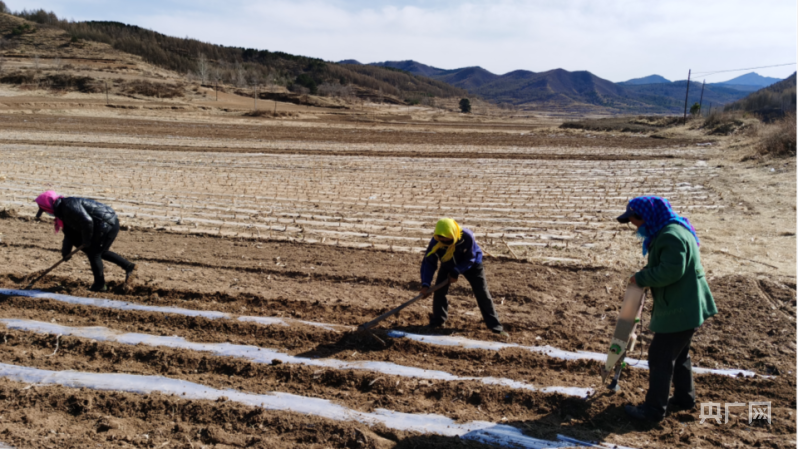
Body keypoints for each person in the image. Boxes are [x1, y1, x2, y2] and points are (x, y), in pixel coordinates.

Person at [617, 196, 718, 423]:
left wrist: (641, 277)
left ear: (646, 217)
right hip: (687, 305)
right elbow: (664, 264)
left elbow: (671, 271)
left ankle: (653, 411)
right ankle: (684, 399)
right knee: (679, 354)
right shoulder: (671, 229)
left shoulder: (670, 236)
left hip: (681, 308)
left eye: (635, 222)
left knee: (660, 355)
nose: (635, 227)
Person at [34, 191, 137, 292]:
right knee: (100, 252)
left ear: (48, 206)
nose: (47, 213)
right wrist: (66, 253)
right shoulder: (62, 211)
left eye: (44, 210)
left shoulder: (68, 206)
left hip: (106, 224)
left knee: (94, 254)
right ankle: (128, 266)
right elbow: (69, 234)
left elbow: (87, 221)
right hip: (108, 223)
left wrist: (87, 240)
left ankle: (100, 285)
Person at [420, 218, 507, 336]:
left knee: (482, 292)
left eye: (447, 240)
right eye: (442, 240)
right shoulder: (436, 242)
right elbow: (429, 263)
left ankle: (495, 326)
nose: (444, 242)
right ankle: (438, 321)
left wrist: (456, 272)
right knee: (439, 291)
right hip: (448, 262)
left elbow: (470, 258)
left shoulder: (467, 237)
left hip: (472, 265)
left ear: (452, 235)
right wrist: (425, 284)